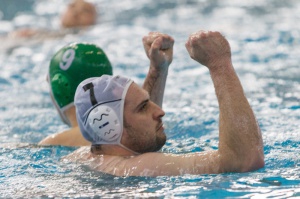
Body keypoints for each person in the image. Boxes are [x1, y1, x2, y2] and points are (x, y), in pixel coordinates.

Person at [64, 30, 265, 177]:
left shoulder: (82, 157)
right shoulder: (136, 168)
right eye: (144, 107)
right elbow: (244, 160)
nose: (160, 111)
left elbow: (133, 128)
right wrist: (220, 64)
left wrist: (157, 70)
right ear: (109, 127)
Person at [39, 31, 173, 146]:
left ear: (60, 88)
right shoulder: (126, 130)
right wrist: (158, 69)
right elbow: (144, 127)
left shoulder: (54, 143)